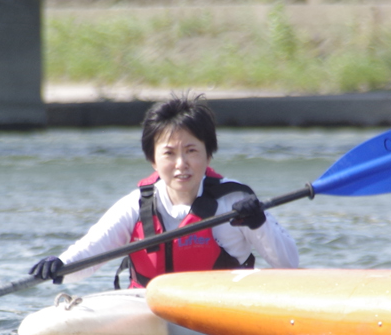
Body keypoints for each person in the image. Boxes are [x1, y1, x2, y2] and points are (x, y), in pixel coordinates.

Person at [29, 94, 298, 288]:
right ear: (153, 161)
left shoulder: (235, 202)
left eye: (192, 151)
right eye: (169, 154)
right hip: (149, 313)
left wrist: (259, 223)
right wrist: (59, 265)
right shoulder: (136, 205)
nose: (182, 164)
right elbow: (91, 251)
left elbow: (288, 266)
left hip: (220, 310)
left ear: (208, 155)